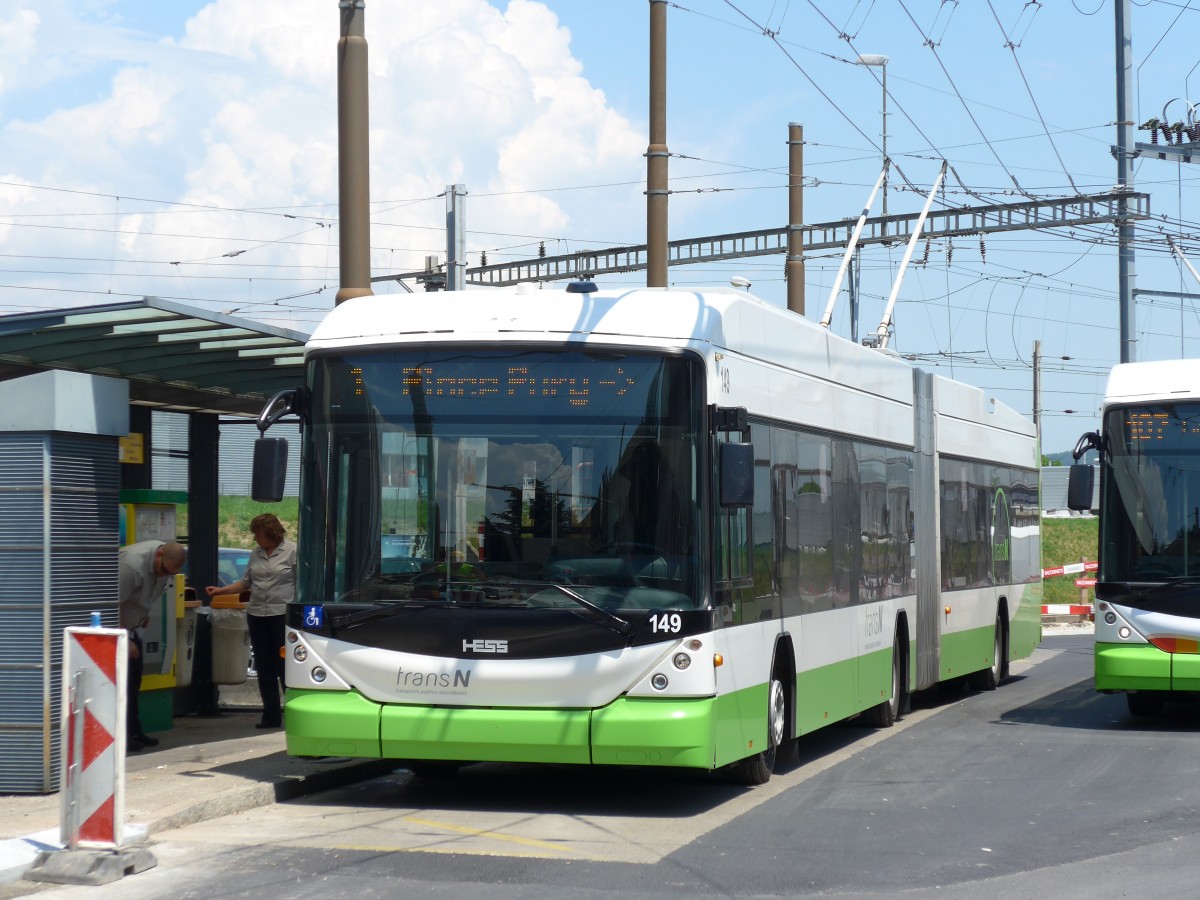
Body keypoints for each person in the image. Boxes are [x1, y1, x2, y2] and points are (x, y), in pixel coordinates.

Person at [205, 513, 295, 729]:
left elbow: (303, 584)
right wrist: (220, 591)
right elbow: (245, 583)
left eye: (259, 534)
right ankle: (271, 716)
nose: (256, 539)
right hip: (257, 615)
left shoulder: (293, 551)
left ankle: (294, 714)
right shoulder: (256, 553)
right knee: (264, 668)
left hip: (281, 615)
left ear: (271, 533)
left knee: (286, 667)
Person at [119, 540, 187, 752]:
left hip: (135, 627)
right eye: (164, 570)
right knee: (123, 686)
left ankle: (134, 731)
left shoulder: (164, 566)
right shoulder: (130, 566)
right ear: (159, 555)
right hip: (119, 632)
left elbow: (149, 594)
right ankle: (124, 737)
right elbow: (112, 604)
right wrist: (124, 639)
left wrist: (143, 616)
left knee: (133, 684)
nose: (164, 575)